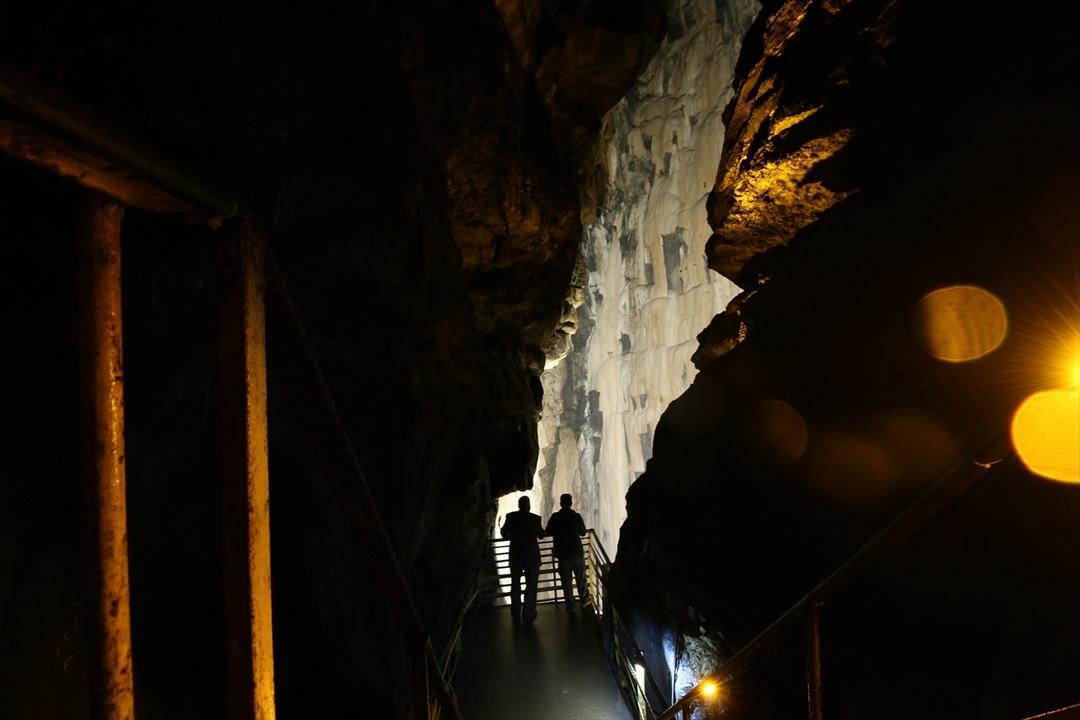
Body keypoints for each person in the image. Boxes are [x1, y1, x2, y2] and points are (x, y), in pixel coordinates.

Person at [500, 495, 545, 623]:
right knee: (531, 586)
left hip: (516, 556)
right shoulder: (535, 519)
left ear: (519, 505)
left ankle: (515, 613)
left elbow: (504, 534)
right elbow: (541, 535)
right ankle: (528, 613)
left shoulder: (511, 517)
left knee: (515, 585)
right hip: (532, 557)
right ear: (528, 506)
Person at [545, 493, 588, 614]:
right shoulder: (575, 516)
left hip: (563, 554)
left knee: (566, 582)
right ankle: (584, 602)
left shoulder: (555, 517)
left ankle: (571, 607)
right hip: (576, 553)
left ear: (560, 504)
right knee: (581, 579)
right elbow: (583, 532)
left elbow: (548, 531)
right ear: (571, 503)